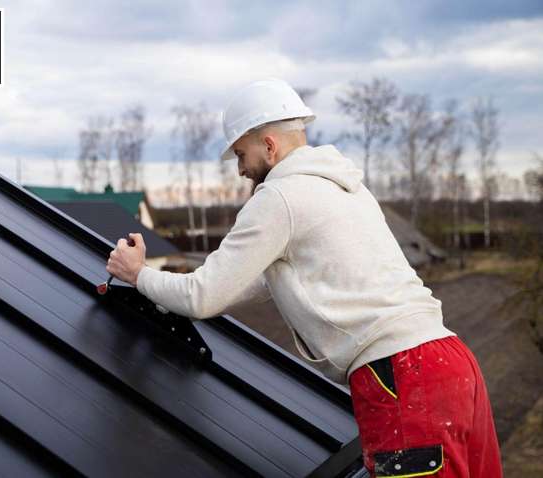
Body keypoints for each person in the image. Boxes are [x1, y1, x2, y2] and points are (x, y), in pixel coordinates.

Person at [106, 78, 503, 477]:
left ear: (269, 145)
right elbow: (265, 280)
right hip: (451, 362)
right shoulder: (345, 188)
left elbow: (203, 296)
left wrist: (138, 274)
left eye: (241, 154)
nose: (241, 169)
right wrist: (167, 293)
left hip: (401, 374)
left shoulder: (279, 198)